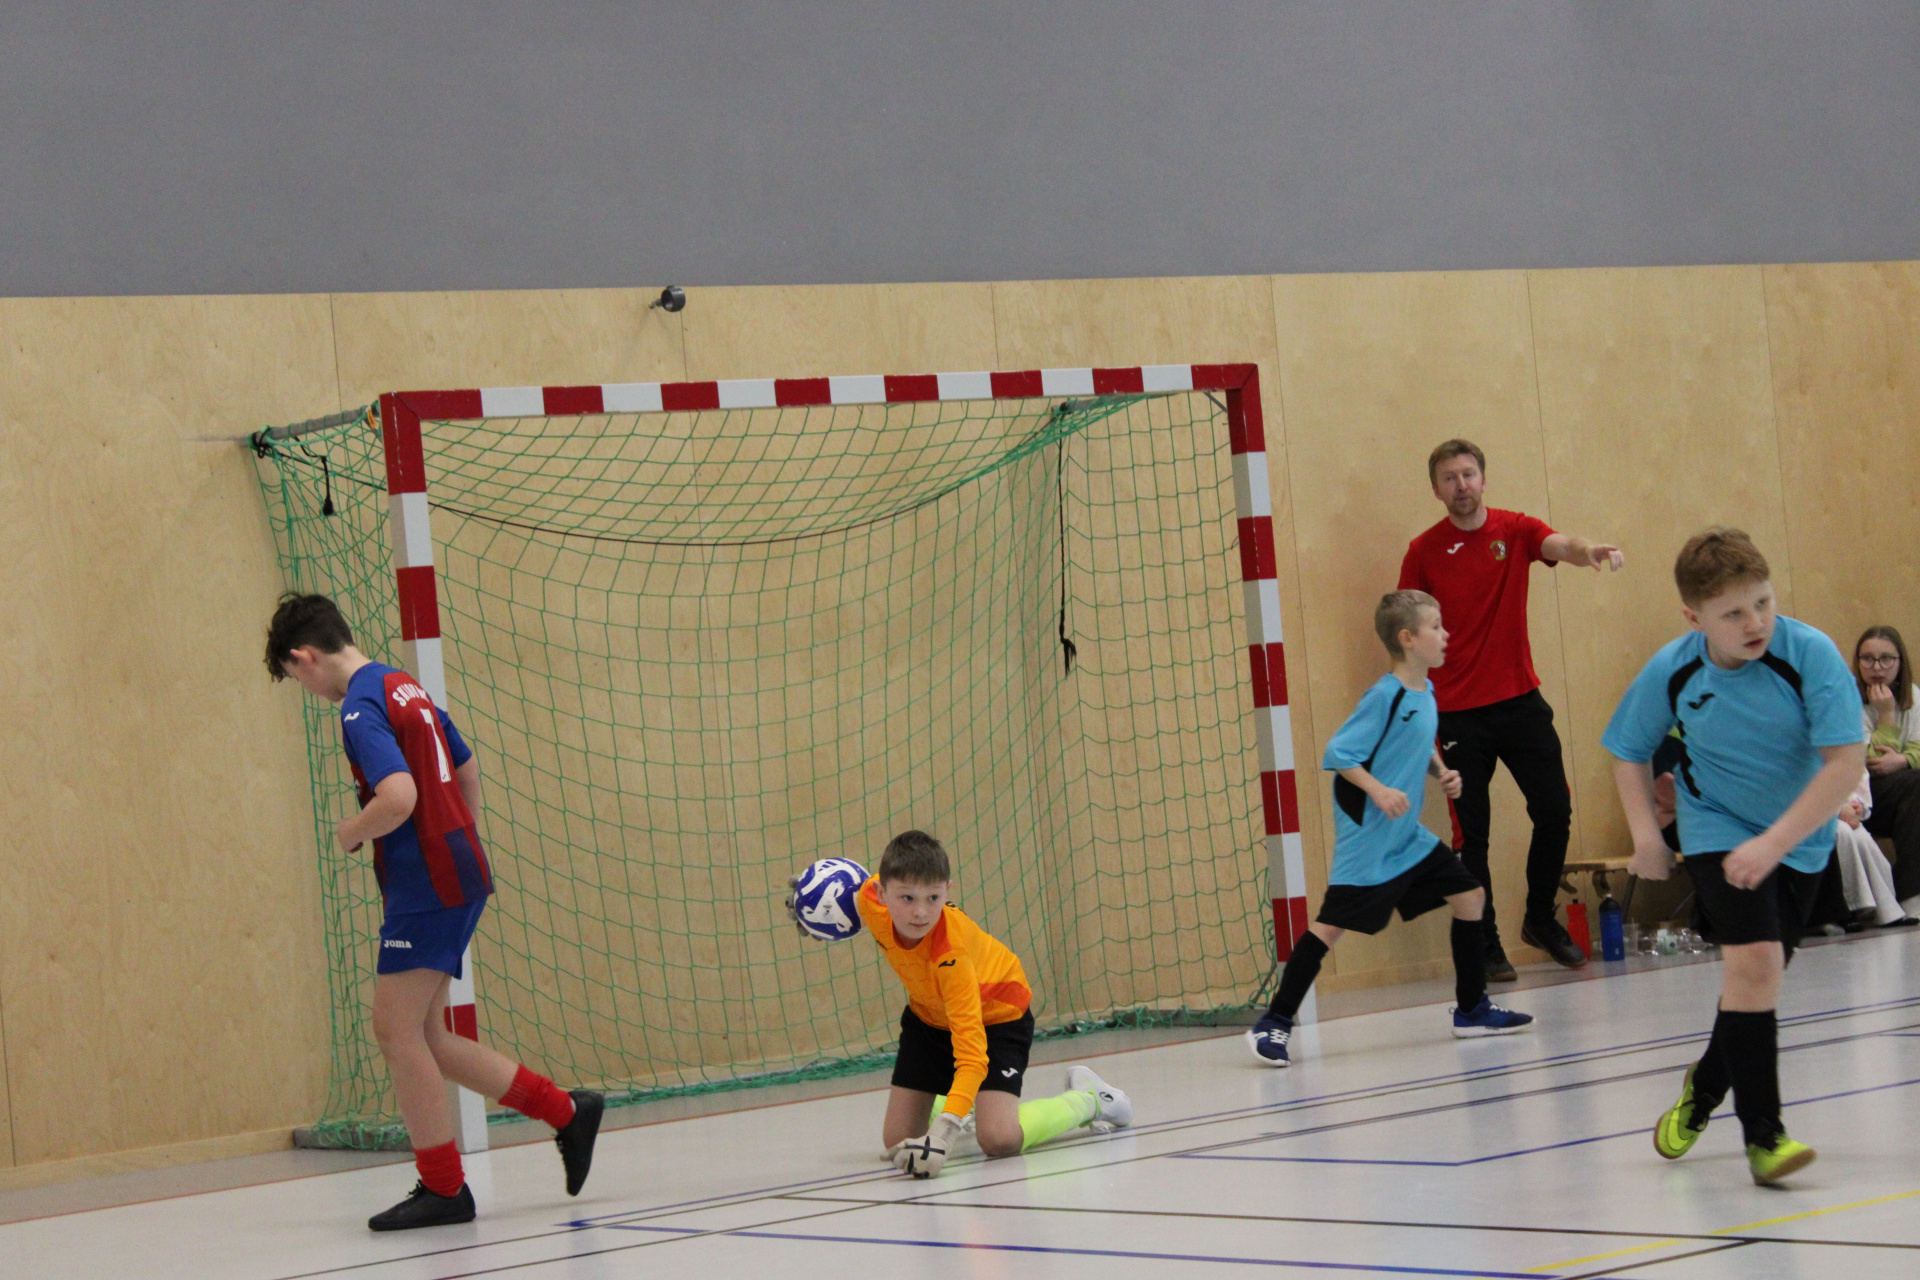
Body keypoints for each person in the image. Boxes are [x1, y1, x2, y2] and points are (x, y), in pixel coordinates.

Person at [266, 594, 604, 1230]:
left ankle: (445, 1188)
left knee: (394, 1031)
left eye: (295, 679)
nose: (308, 691)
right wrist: (457, 841)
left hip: (427, 884)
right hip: (454, 872)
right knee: (427, 1036)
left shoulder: (358, 706)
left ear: (303, 657)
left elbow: (398, 795)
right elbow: (468, 770)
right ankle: (567, 1111)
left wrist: (351, 832)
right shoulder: (404, 686)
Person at [1604, 529, 1864, 1185]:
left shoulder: (1809, 654)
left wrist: (1776, 843)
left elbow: (1844, 763)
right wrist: (1647, 836)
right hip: (1715, 826)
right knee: (1756, 964)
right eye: (1733, 613)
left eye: (1763, 603)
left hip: (1800, 838)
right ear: (1694, 618)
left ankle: (1703, 1088)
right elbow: (1628, 751)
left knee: (1758, 980)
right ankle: (1765, 1139)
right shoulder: (1673, 669)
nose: (1755, 623)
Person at [1246, 591, 1533, 1068]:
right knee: (1330, 927)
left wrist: (1441, 771)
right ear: (1408, 638)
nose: (1446, 635)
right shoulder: (1385, 695)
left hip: (1407, 837)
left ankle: (1472, 1009)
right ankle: (1272, 1023)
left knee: (1470, 896)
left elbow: (1415, 743)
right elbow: (1340, 754)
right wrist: (1379, 791)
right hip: (1369, 839)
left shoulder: (1426, 692)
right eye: (1436, 627)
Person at [1399, 439, 1624, 979]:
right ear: (1436, 490)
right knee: (1471, 836)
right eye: (1449, 478)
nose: (1461, 485)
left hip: (1520, 702)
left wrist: (1588, 551)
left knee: (1554, 810)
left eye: (1468, 474)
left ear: (1483, 479)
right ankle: (1485, 944)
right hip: (1457, 713)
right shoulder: (1423, 551)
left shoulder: (1514, 530)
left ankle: (1539, 918)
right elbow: (1407, 633)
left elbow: (1560, 544)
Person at [819, 830, 1133, 1178]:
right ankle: (963, 1101)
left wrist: (944, 1133)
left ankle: (1088, 1099)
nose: (920, 912)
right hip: (929, 1016)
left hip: (998, 1015)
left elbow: (972, 1057)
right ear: (881, 894)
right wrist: (809, 905)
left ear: (947, 890)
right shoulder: (871, 900)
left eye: (933, 898)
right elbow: (849, 887)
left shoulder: (951, 956)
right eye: (907, 898)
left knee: (999, 1139)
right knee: (899, 1140)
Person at [1854, 626, 1920, 909]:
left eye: (1886, 659)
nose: (1877, 667)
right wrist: (1887, 716)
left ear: (1900, 661)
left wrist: (1903, 760)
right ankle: (1911, 894)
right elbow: (1870, 762)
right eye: (1868, 659)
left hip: (1903, 795)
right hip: (1859, 795)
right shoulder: (1848, 699)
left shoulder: (1913, 696)